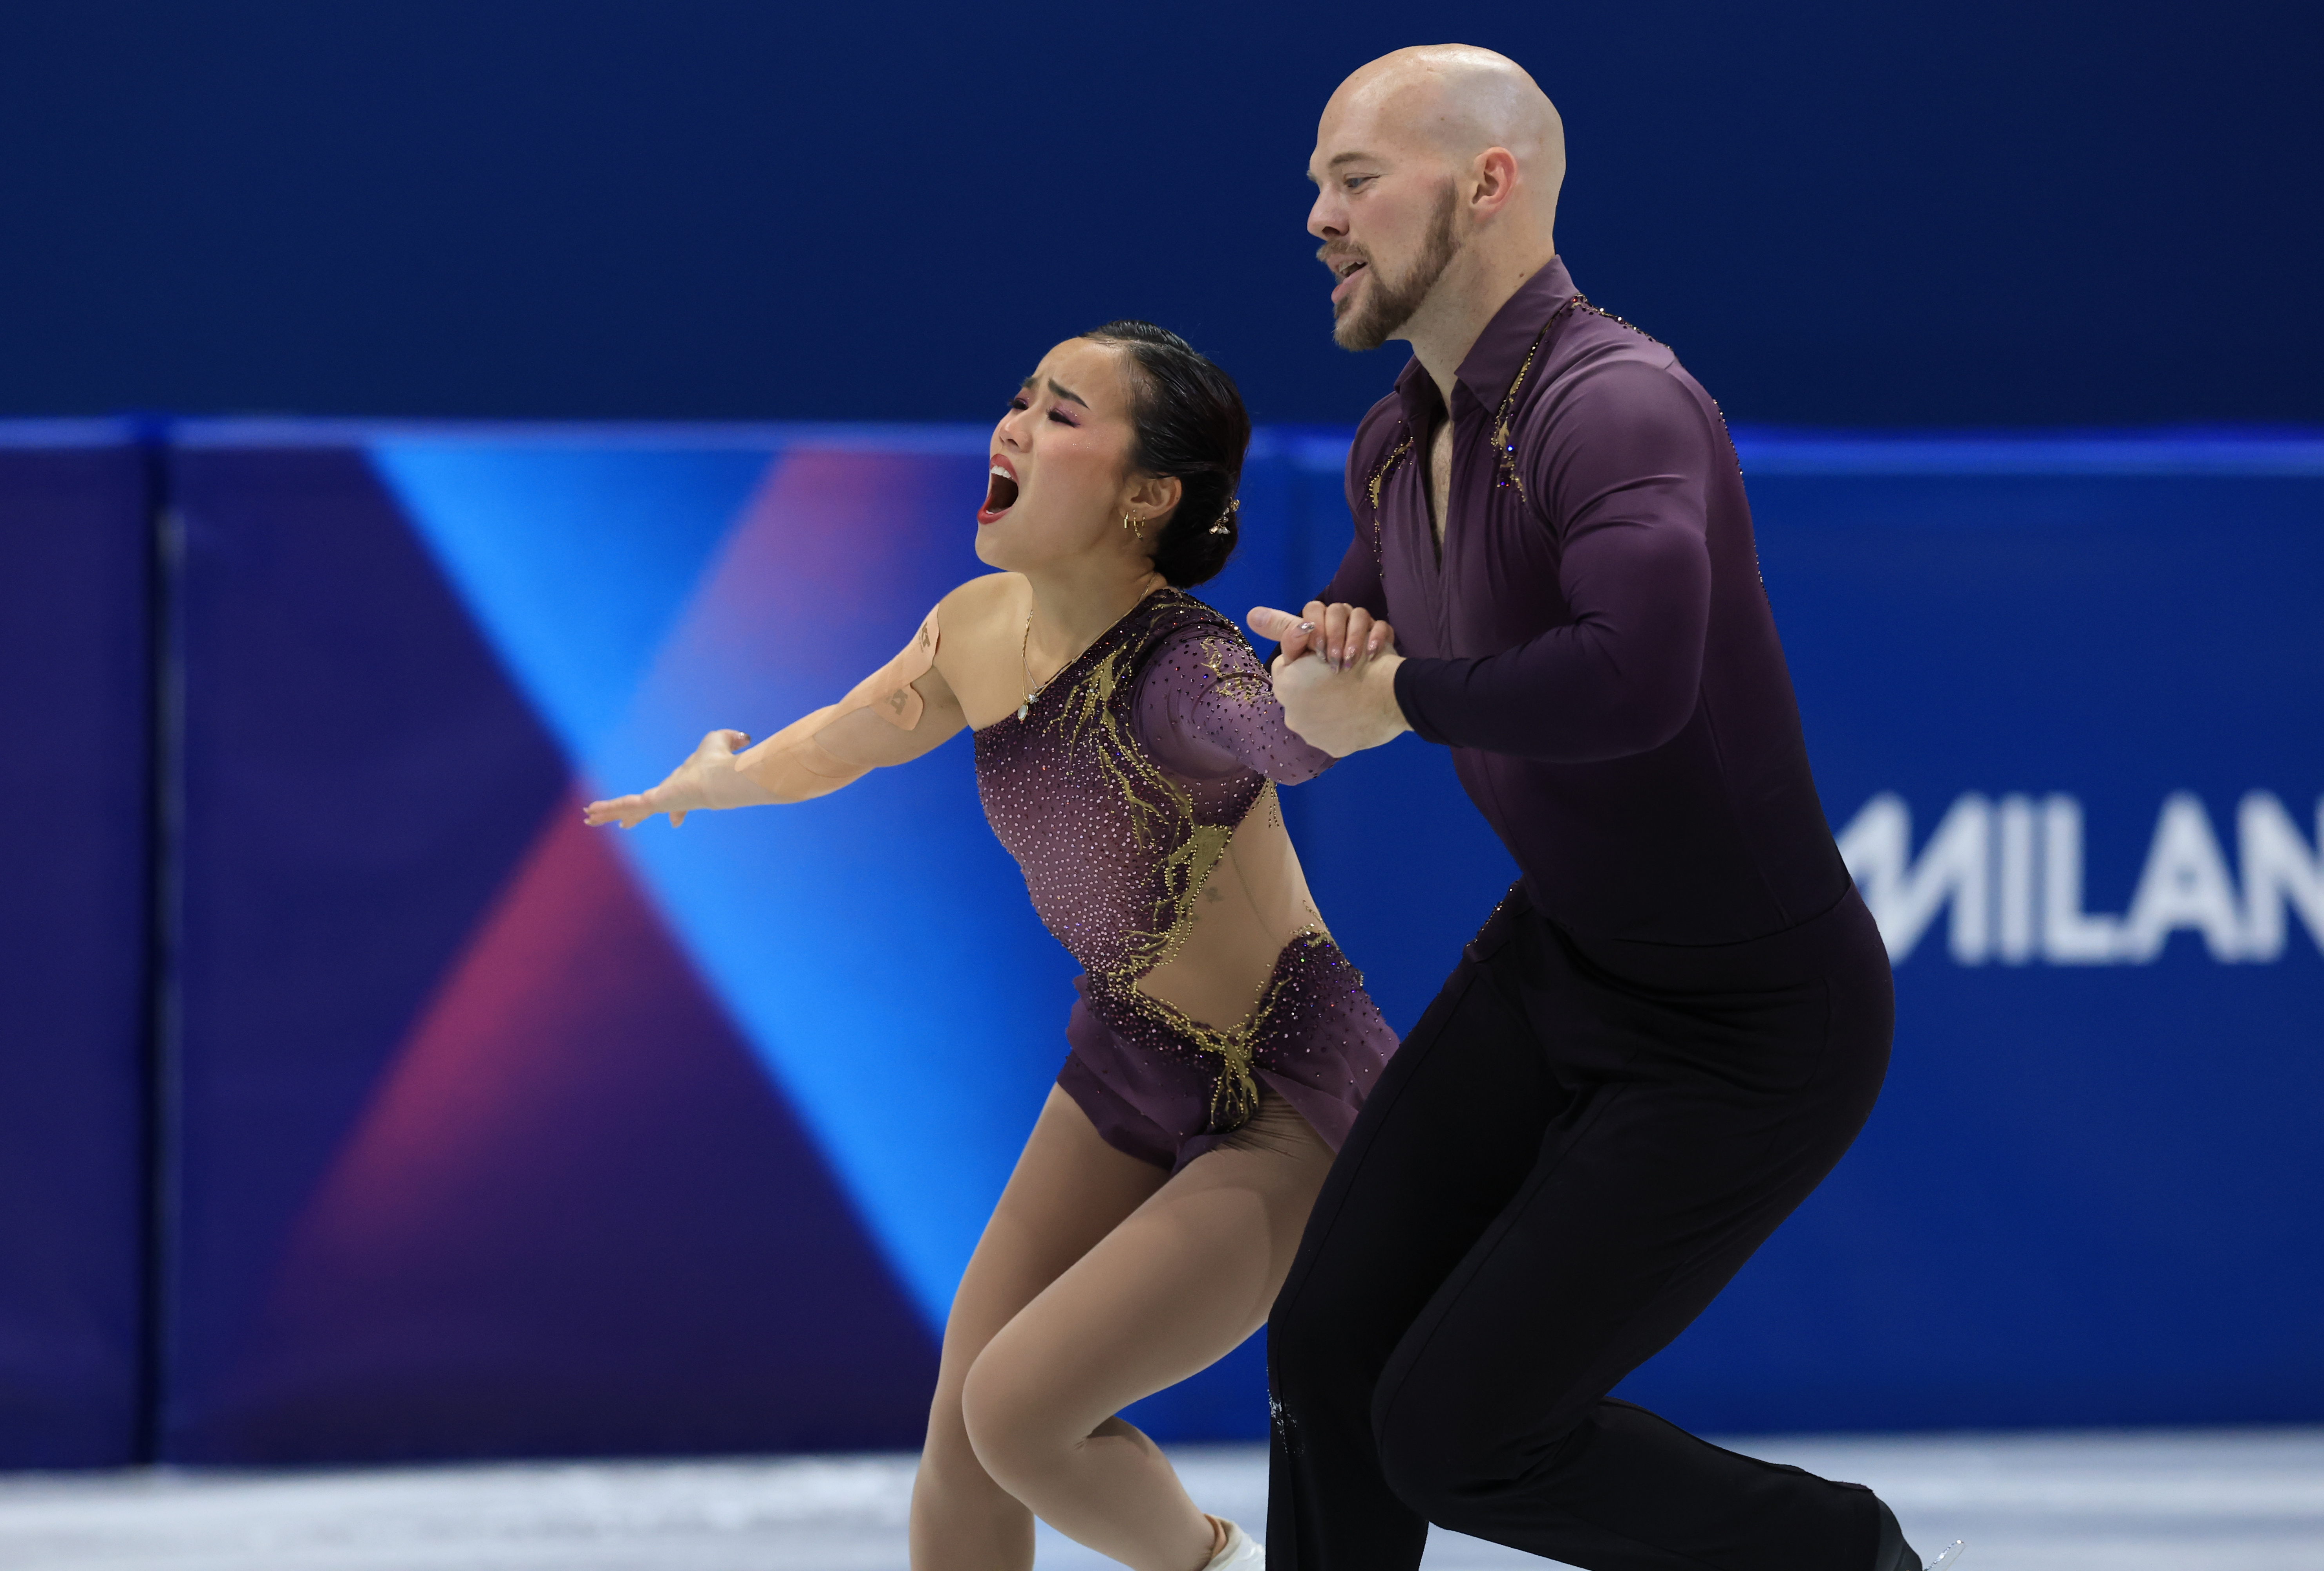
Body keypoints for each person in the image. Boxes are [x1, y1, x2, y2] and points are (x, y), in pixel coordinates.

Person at [1237, 45, 1961, 1571]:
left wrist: (1391, 704)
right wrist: (1322, 671)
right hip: (1562, 960)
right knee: (1327, 1351)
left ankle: (1843, 1561)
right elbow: (1351, 662)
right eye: (1318, 182)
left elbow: (1635, 679)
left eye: (1356, 180)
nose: (1316, 214)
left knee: (1459, 1432)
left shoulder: (1618, 404)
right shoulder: (1393, 445)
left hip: (1752, 1027)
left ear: (1488, 183)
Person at [587, 321, 1397, 1571]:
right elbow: (847, 737)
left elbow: (1283, 737)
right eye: (1021, 398)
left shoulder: (1187, 667)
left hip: (1285, 1095)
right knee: (961, 1449)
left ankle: (1221, 1567)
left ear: (1148, 495)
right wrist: (720, 780)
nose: (1014, 424)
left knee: (1019, 1413)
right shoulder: (976, 628)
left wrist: (1353, 690)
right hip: (1130, 1062)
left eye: (1064, 412)